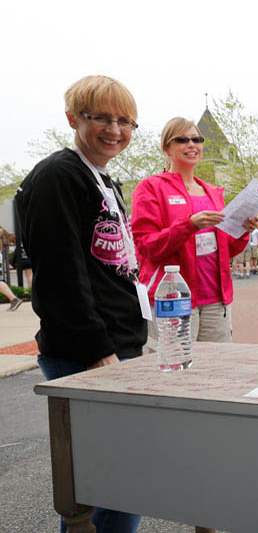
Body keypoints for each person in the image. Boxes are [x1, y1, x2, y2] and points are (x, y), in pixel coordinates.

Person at [15, 74, 147, 532]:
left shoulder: (101, 180)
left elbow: (112, 268)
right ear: (73, 119)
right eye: (102, 118)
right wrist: (98, 353)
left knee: (117, 479)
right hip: (88, 353)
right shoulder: (58, 176)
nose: (115, 130)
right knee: (108, 483)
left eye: (126, 121)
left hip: (117, 344)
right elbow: (59, 276)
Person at [132, 117, 256, 344]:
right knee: (176, 371)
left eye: (197, 139)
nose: (192, 145)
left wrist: (243, 230)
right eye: (182, 139)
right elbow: (147, 246)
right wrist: (189, 225)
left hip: (215, 300)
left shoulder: (213, 192)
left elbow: (227, 248)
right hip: (173, 298)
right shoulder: (151, 188)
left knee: (216, 370)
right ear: (167, 148)